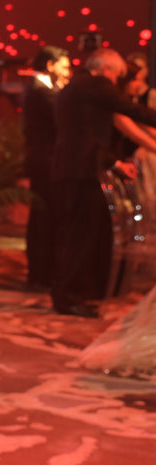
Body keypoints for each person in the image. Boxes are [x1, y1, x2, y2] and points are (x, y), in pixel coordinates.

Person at [51, 48, 156, 318]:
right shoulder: (95, 85)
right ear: (107, 69)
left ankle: (68, 294)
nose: (116, 81)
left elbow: (86, 135)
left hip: (71, 168)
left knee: (74, 234)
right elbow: (129, 109)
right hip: (82, 171)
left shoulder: (76, 87)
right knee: (81, 236)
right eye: (118, 75)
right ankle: (70, 297)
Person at [22, 46, 70, 290]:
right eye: (64, 66)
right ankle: (39, 274)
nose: (68, 72)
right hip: (45, 162)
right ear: (50, 65)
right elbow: (61, 117)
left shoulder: (44, 89)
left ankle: (42, 273)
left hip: (46, 161)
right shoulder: (41, 91)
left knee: (46, 217)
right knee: (43, 217)